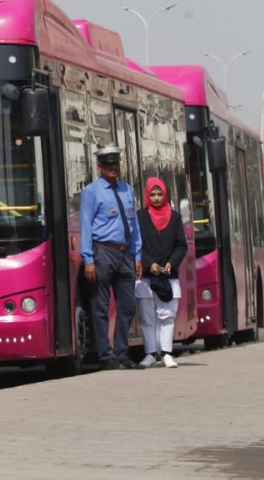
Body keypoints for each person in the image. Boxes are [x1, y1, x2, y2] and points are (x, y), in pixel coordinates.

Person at [80, 146, 144, 370]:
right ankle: (106, 357)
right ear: (100, 168)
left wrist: (137, 254)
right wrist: (88, 259)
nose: (113, 169)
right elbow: (86, 226)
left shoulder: (127, 190)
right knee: (101, 307)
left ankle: (122, 352)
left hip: (125, 253)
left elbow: (134, 224)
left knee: (127, 306)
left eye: (115, 165)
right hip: (102, 252)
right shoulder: (91, 191)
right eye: (108, 166)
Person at [135, 177, 186, 368]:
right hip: (147, 276)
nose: (156, 198)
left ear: (165, 195)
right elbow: (136, 244)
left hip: (168, 275)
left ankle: (166, 353)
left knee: (167, 316)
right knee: (147, 317)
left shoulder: (175, 217)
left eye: (159, 194)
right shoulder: (140, 217)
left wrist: (171, 263)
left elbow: (181, 245)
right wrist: (149, 264)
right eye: (152, 194)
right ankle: (150, 354)